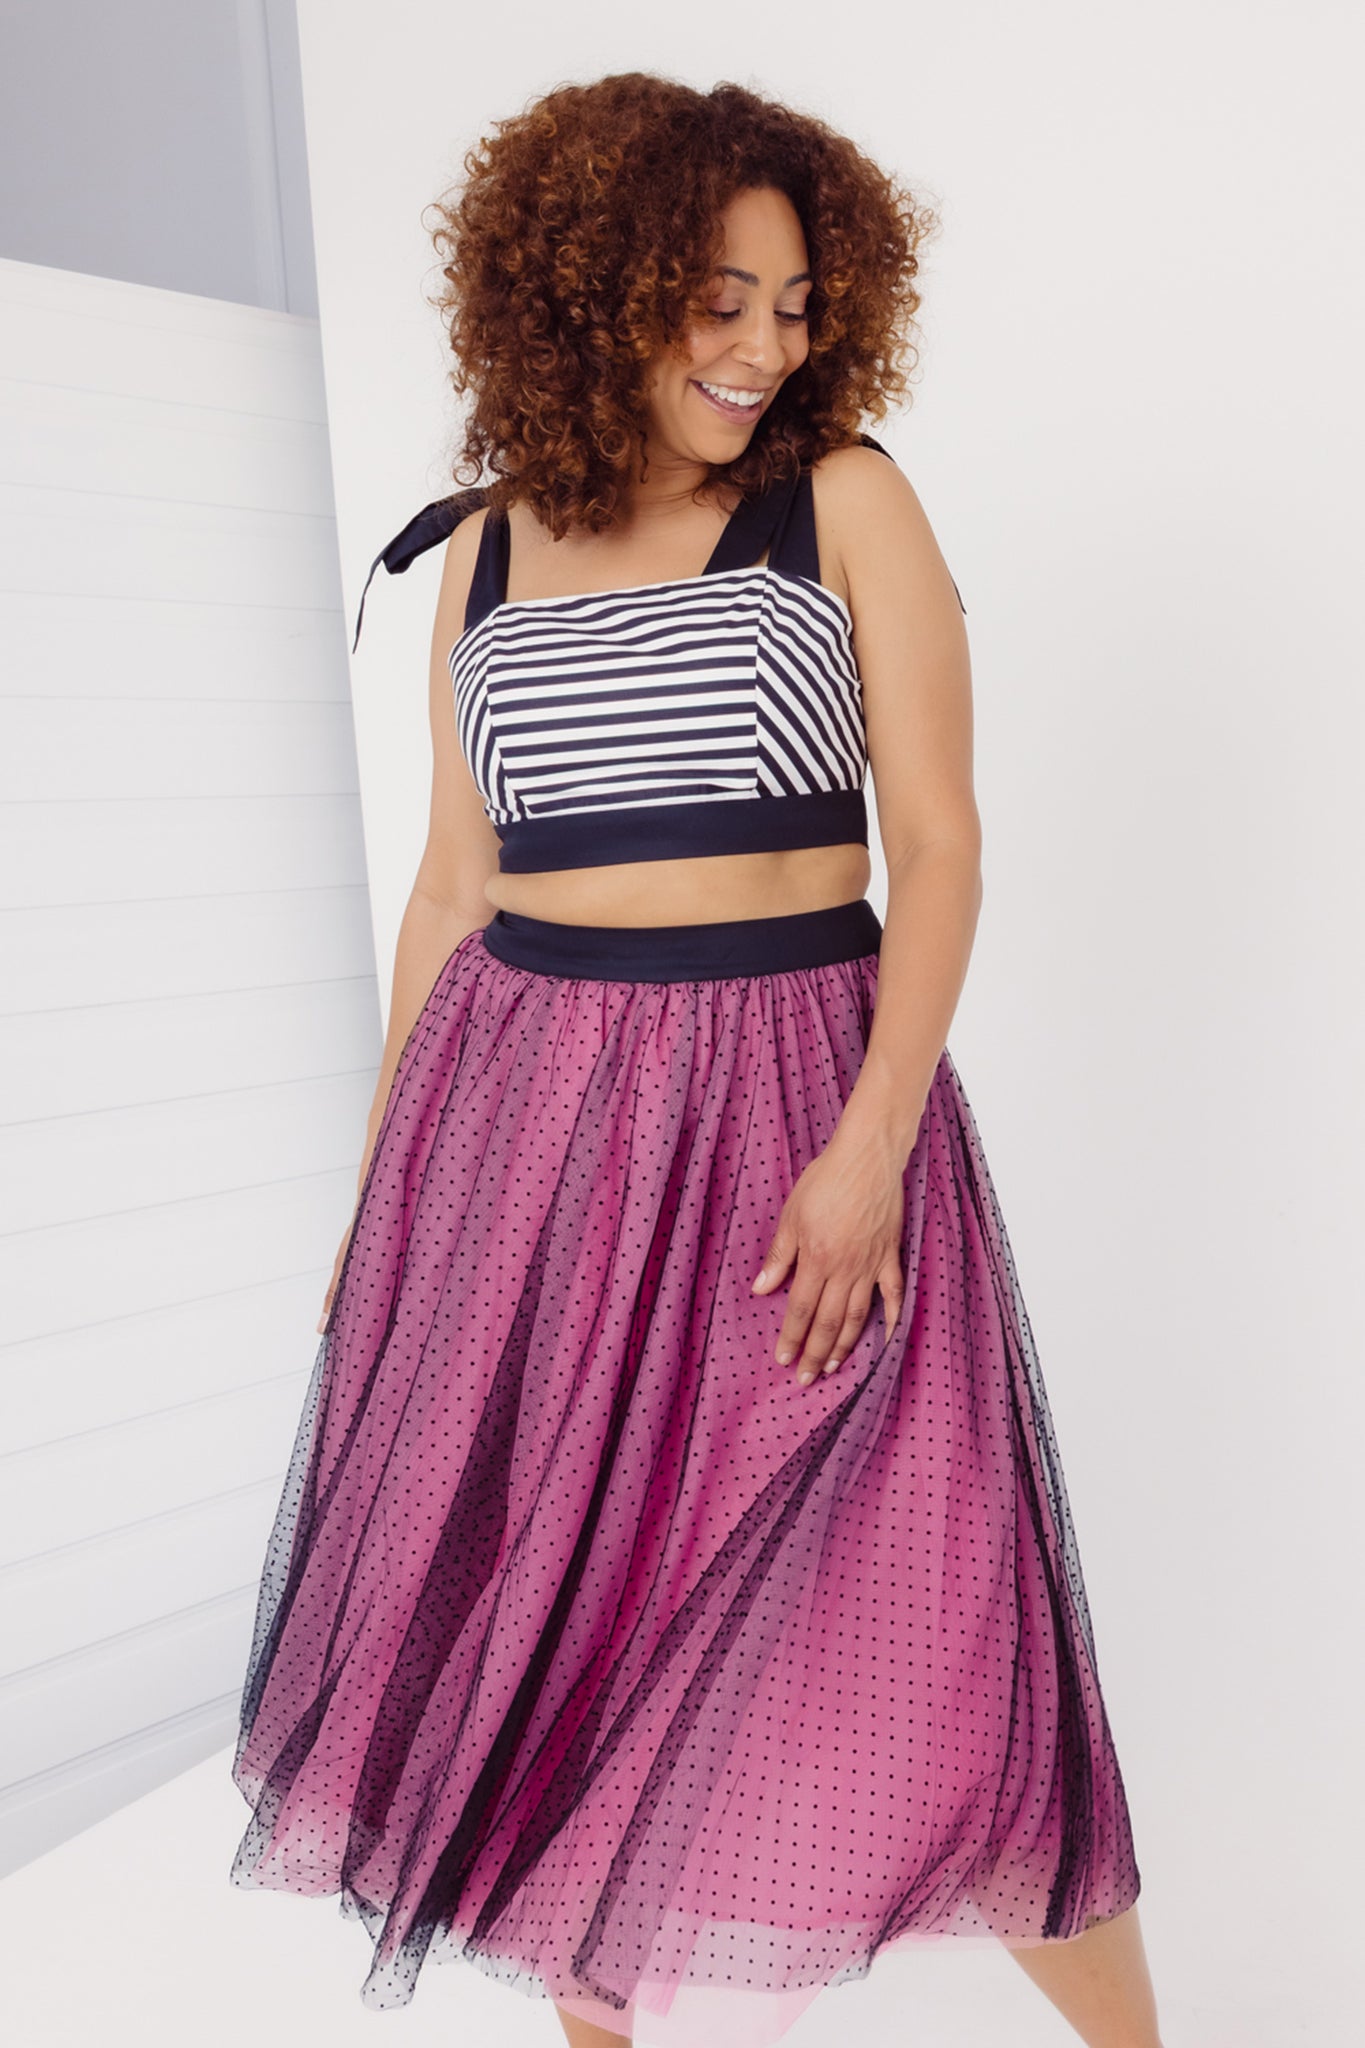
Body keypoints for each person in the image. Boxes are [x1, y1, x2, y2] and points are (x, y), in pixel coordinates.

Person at [229, 72, 1163, 2048]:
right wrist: (383, 1195)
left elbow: (938, 847)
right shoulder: (473, 559)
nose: (759, 347)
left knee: (951, 1607)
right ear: (594, 290)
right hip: (523, 1131)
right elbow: (447, 891)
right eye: (713, 298)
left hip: (787, 1107)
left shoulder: (841, 504)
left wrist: (867, 1149)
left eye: (792, 304)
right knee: (562, 1619)